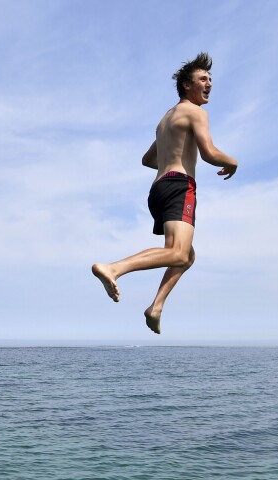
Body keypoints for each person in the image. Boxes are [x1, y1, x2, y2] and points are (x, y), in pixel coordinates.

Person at [92, 52, 238, 334]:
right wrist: (231, 161)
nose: (209, 84)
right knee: (178, 253)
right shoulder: (196, 112)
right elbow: (209, 153)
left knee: (186, 256)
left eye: (210, 80)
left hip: (158, 188)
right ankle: (114, 268)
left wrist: (175, 158)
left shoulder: (165, 120)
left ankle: (156, 307)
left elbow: (148, 160)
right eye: (202, 79)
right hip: (180, 186)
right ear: (187, 84)